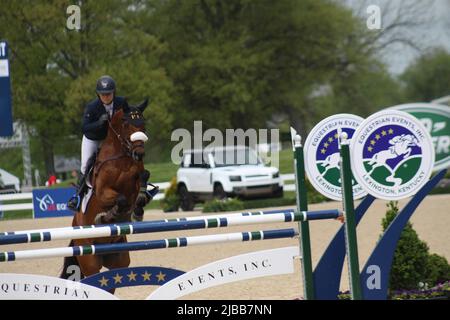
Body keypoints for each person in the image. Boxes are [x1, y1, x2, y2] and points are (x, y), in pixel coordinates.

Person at [67, 75, 129, 211]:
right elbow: (84, 127)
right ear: (98, 94)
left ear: (114, 93)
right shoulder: (92, 107)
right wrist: (99, 122)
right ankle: (78, 197)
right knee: (85, 166)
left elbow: (129, 119)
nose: (106, 97)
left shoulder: (121, 103)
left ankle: (141, 185)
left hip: (112, 140)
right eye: (103, 94)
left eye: (109, 94)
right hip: (93, 139)